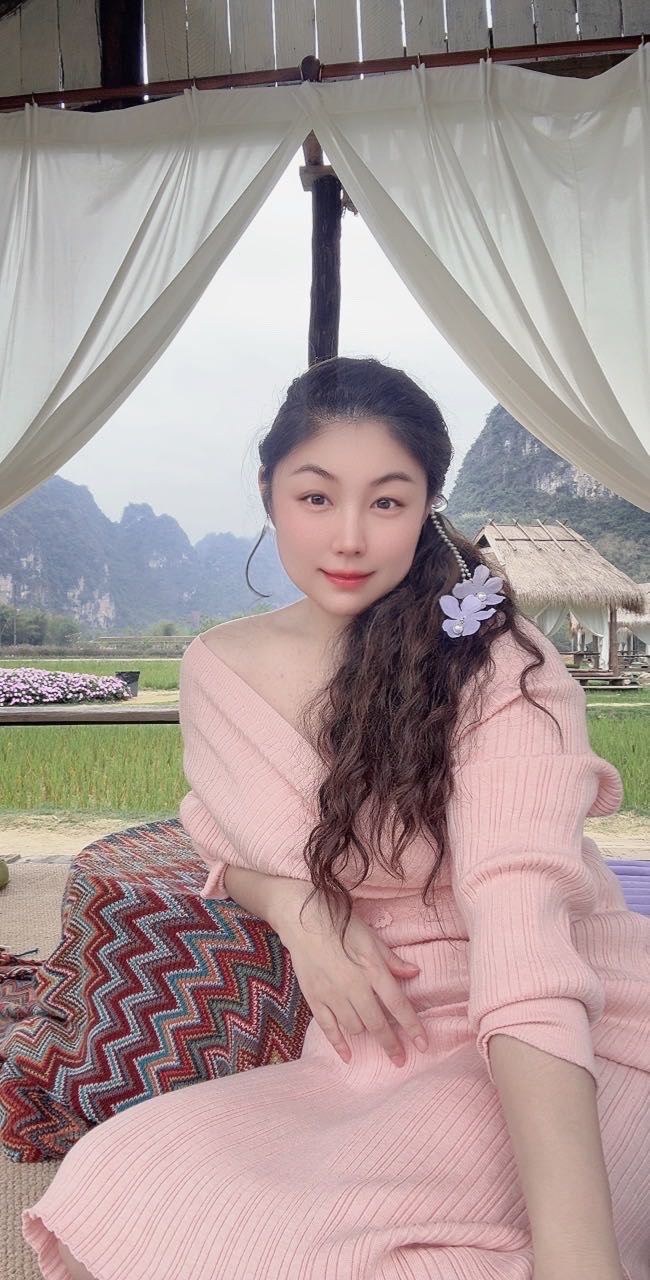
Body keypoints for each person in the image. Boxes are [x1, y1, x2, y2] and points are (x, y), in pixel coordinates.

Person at [23, 356, 649, 1279]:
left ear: (427, 507)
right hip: (377, 1044)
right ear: (269, 492)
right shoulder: (219, 667)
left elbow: (524, 932)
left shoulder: (497, 662)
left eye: (387, 502)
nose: (350, 537)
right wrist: (294, 904)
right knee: (117, 1181)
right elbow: (223, 838)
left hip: (563, 1033)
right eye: (316, 498)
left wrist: (579, 1256)